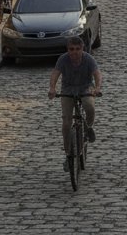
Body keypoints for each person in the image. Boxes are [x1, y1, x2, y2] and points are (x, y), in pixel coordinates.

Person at [48, 36, 103, 167]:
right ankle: (68, 155)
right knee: (66, 124)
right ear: (68, 50)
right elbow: (55, 74)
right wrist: (52, 88)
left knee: (89, 106)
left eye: (77, 49)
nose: (74, 52)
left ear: (82, 49)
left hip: (85, 88)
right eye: (71, 49)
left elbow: (97, 73)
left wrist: (97, 88)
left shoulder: (88, 59)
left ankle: (88, 128)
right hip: (68, 90)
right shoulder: (63, 59)